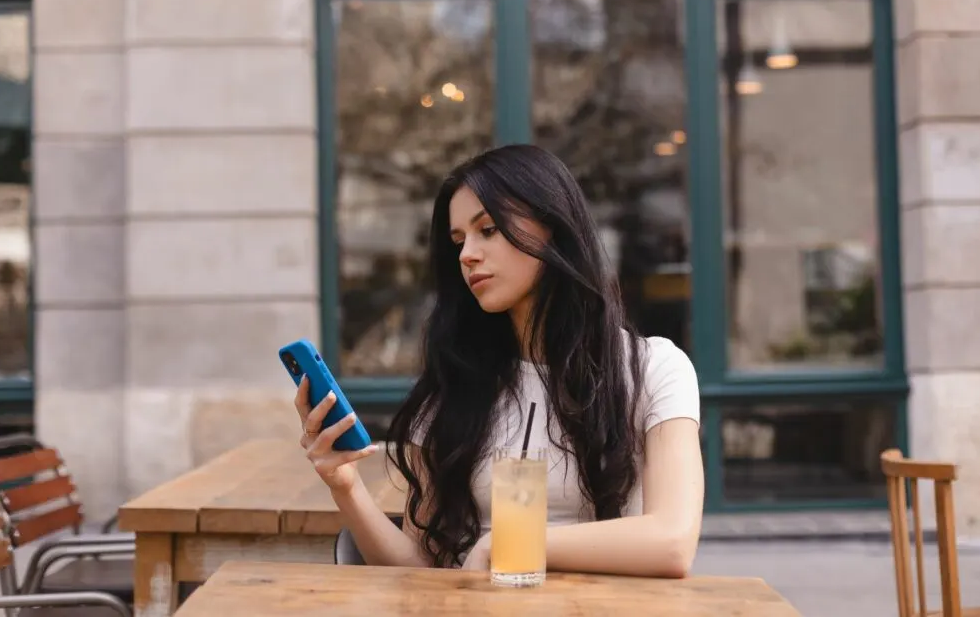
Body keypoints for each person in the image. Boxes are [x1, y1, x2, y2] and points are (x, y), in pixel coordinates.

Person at [295, 144, 703, 577]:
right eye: (458, 240)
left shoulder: (653, 369)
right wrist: (346, 488)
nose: (467, 254)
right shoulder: (456, 383)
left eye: (487, 230)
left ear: (553, 228)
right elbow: (420, 567)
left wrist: (507, 543)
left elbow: (672, 542)